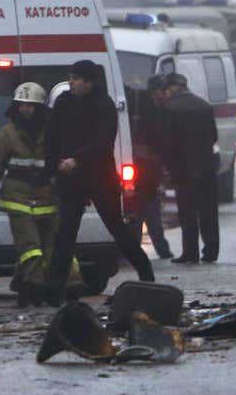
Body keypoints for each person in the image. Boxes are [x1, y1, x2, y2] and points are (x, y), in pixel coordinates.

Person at [44, 60, 155, 295]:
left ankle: (146, 274)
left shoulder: (104, 105)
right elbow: (51, 137)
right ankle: (54, 289)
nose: (70, 82)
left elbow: (104, 140)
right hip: (71, 178)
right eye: (70, 77)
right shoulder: (63, 103)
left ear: (89, 82)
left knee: (117, 227)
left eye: (75, 78)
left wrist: (77, 158)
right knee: (66, 233)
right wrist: (55, 164)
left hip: (99, 177)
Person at [0, 82, 84, 305]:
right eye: (22, 105)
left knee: (54, 245)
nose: (26, 110)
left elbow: (65, 160)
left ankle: (68, 284)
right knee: (30, 247)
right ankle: (35, 285)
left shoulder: (53, 131)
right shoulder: (6, 134)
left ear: (41, 108)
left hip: (47, 196)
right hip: (18, 198)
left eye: (31, 106)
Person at [156, 72, 221, 264]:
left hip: (182, 168)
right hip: (207, 165)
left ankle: (190, 252)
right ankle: (211, 251)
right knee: (208, 210)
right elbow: (213, 136)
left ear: (171, 88)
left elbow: (166, 142)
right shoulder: (204, 105)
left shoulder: (168, 108)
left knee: (187, 210)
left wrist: (167, 167)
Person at [129, 75, 175, 260]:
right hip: (145, 166)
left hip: (141, 164)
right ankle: (157, 248)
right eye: (165, 91)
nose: (167, 95)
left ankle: (137, 247)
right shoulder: (153, 110)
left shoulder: (140, 103)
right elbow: (158, 140)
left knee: (142, 207)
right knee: (147, 206)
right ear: (158, 90)